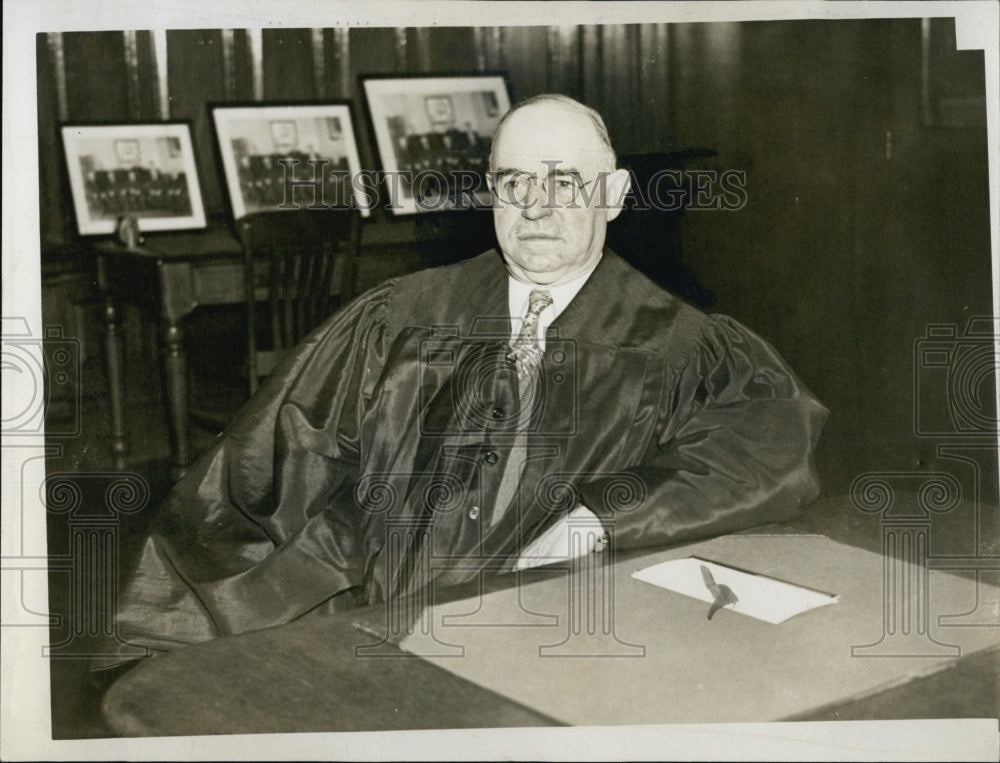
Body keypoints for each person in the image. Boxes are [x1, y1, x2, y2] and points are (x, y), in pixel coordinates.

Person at [111, 94, 826, 656]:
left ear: (613, 195)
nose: (536, 207)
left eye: (564, 181)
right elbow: (259, 473)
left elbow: (771, 442)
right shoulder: (399, 317)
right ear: (490, 193)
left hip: (555, 644)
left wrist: (601, 516)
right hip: (377, 632)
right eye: (515, 181)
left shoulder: (680, 344)